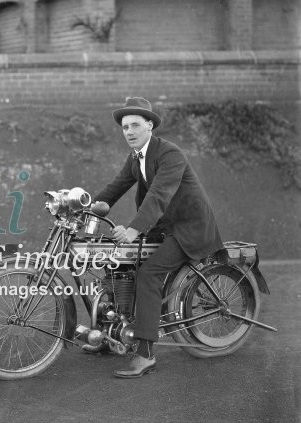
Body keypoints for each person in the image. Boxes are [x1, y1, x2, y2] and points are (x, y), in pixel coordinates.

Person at [94, 97, 223, 378]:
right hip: (165, 226)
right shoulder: (136, 158)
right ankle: (112, 333)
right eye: (125, 127)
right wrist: (86, 209)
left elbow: (159, 194)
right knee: (125, 265)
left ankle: (145, 354)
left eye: (135, 125)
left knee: (148, 274)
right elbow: (114, 189)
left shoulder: (169, 154)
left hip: (189, 226)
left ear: (150, 125)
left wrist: (133, 229)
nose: (129, 131)